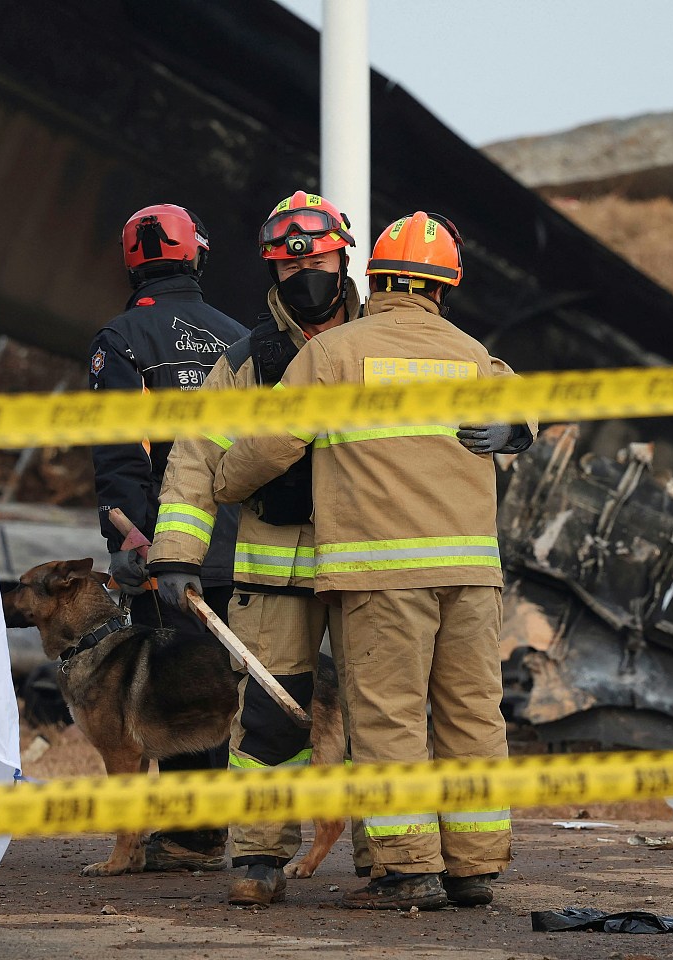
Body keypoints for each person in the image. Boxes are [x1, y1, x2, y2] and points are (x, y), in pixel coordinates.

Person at [212, 211, 535, 910]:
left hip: (382, 574)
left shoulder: (335, 355)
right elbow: (520, 407)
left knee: (389, 721)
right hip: (473, 576)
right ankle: (474, 867)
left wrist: (224, 483)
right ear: (445, 288)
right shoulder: (472, 354)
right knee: (473, 716)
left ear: (372, 276)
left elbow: (271, 445)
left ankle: (410, 871)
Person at [147, 191, 371, 906]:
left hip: (374, 563)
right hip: (275, 566)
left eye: (320, 261)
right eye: (288, 267)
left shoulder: (386, 348)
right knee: (268, 719)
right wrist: (176, 553)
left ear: (345, 259)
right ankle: (259, 856)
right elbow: (192, 460)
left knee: (380, 713)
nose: (306, 278)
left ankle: (393, 859)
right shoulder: (247, 362)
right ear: (273, 274)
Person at [87, 202, 247, 871]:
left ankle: (192, 836)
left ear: (133, 259)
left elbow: (122, 452)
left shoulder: (121, 340)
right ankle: (208, 832)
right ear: (197, 254)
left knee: (173, 685)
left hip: (161, 543)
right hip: (239, 542)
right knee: (220, 683)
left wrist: (128, 537)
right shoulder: (240, 338)